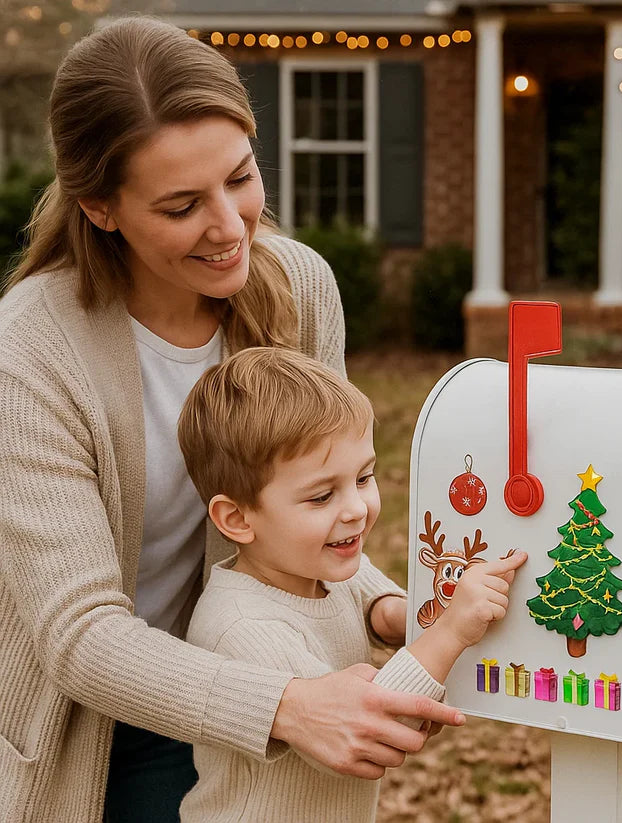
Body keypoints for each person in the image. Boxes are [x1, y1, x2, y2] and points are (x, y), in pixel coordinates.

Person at [0, 17, 465, 823]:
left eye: (241, 177)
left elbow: (311, 502)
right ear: (102, 209)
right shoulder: (30, 350)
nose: (230, 226)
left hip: (253, 685)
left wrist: (386, 605)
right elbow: (77, 632)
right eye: (182, 205)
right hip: (83, 721)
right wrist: (287, 704)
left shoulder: (300, 289)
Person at [176, 346, 526, 822]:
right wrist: (450, 633)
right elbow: (369, 731)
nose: (356, 508)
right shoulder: (242, 625)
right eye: (322, 496)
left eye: (364, 477)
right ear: (237, 518)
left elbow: (376, 602)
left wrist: (405, 616)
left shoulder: (321, 565)